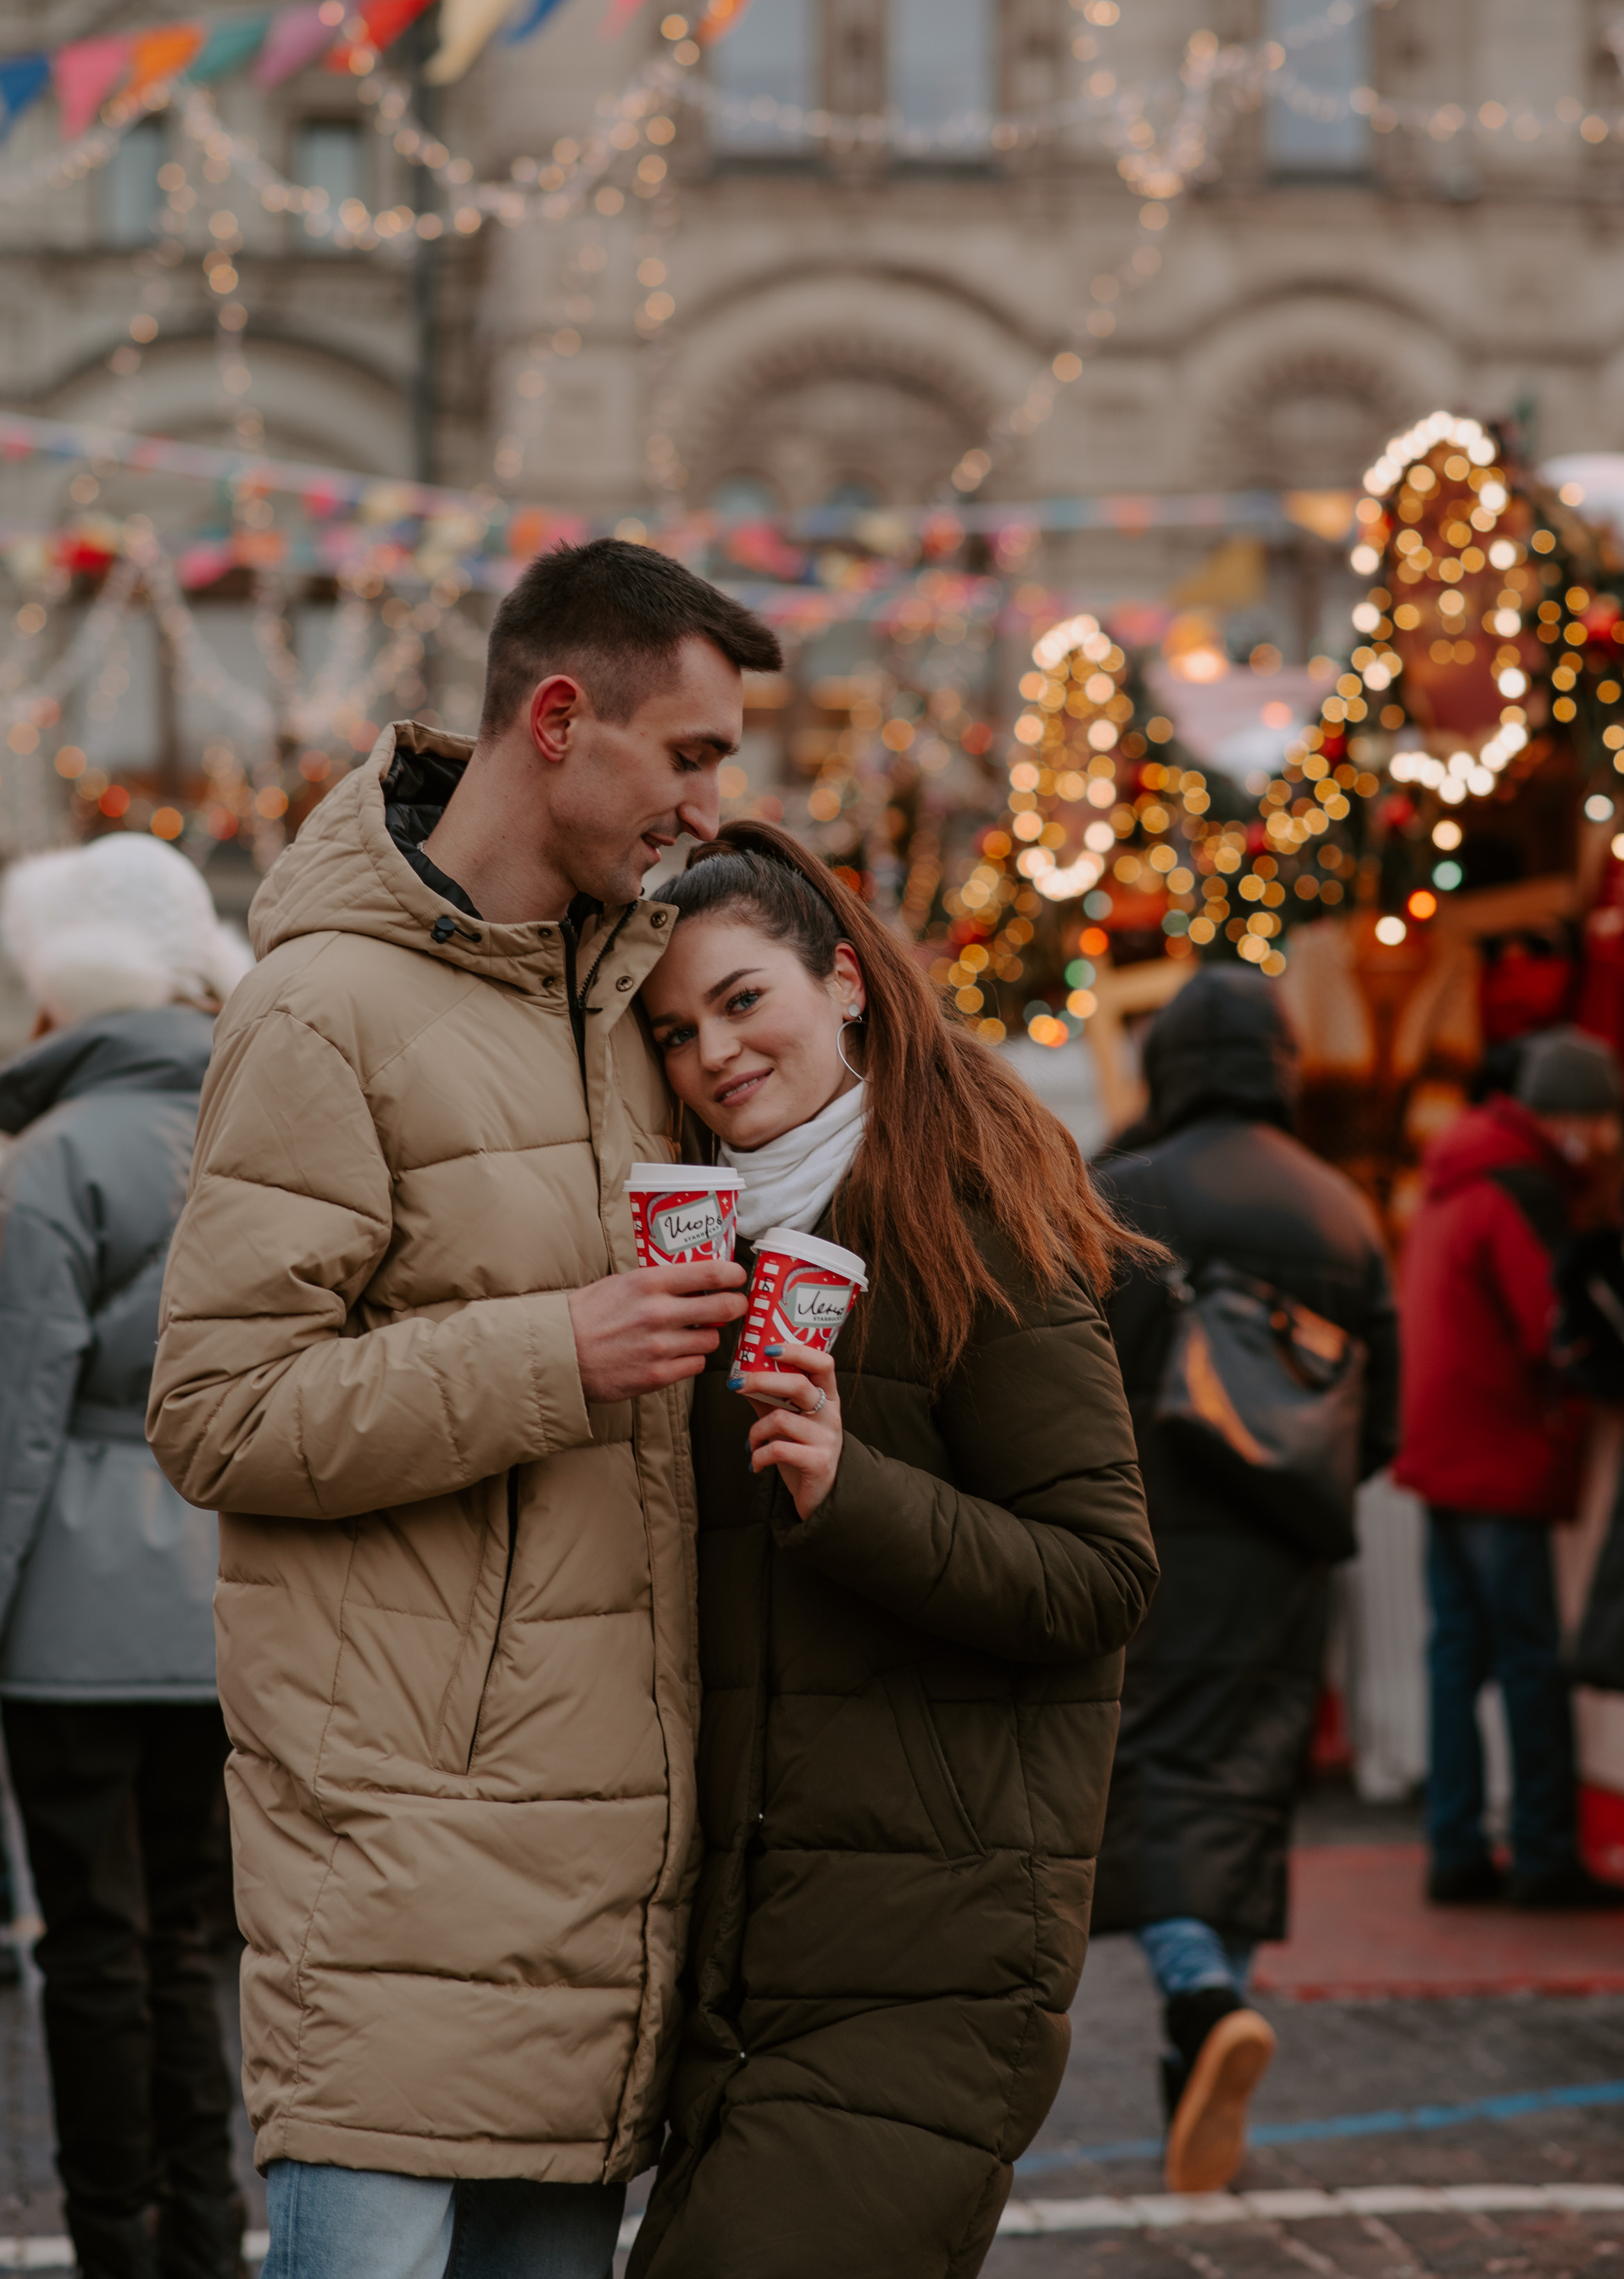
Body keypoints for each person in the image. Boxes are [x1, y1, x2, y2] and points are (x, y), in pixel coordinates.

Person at [147, 542, 783, 2279]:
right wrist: (553, 1353)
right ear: (558, 721)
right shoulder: (321, 1009)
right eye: (689, 753)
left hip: (601, 1884)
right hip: (395, 1868)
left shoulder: (633, 1009)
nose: (708, 801)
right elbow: (217, 1411)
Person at [625, 822, 1158, 2279]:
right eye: (674, 1032)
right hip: (750, 1955)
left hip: (932, 1959)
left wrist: (850, 1487)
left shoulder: (969, 1218)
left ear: (844, 984)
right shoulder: (706, 1262)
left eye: (743, 999)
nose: (714, 1054)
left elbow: (1102, 1573)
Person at [1089, 968, 1400, 2196]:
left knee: (1151, 1778)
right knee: (1249, 1793)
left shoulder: (1124, 1192)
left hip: (1151, 1544)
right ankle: (1200, 2066)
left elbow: (1066, 1389)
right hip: (1287, 1563)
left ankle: (1202, 2000)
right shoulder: (1343, 1210)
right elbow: (1384, 1426)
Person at [0, 833, 251, 2279]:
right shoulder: (259, 1127)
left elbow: (19, 1424)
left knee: (90, 1951)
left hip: (68, 1634)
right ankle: (210, 2238)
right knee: (195, 1950)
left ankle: (118, 2245)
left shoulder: (49, 1163)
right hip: (225, 1601)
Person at [1392, 1023, 1624, 1910]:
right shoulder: (1520, 1187)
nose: (1601, 1140)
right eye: (1597, 1119)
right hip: (1498, 1448)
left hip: (1442, 1448)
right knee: (1527, 1657)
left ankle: (1453, 1847)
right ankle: (1542, 1852)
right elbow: (1551, 1324)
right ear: (1566, 1114)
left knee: (1455, 1655)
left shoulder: (1454, 1171)